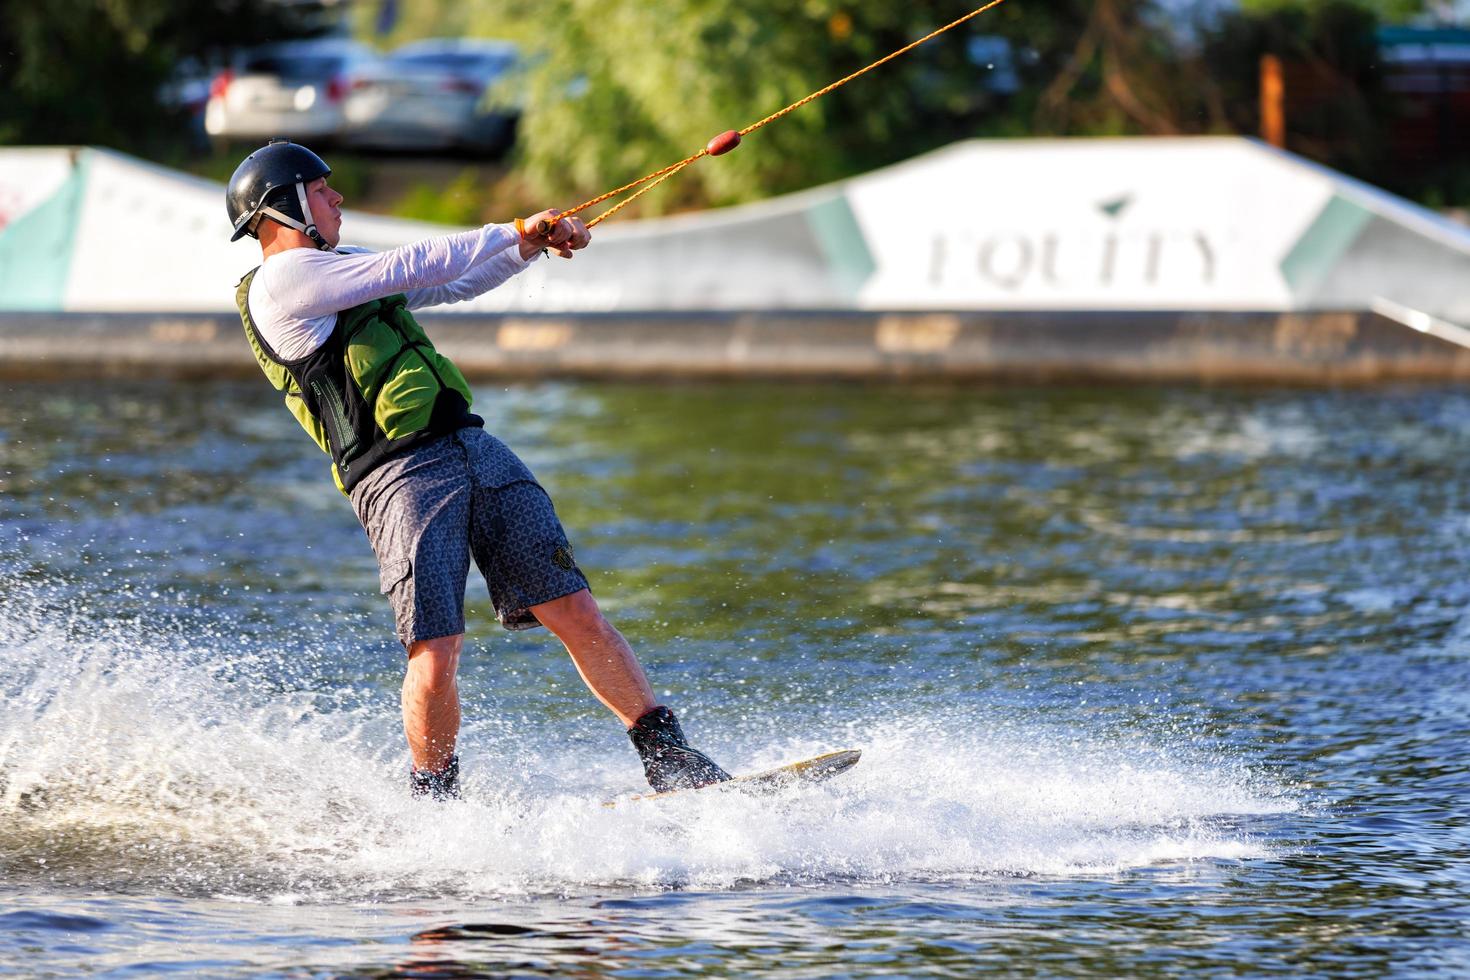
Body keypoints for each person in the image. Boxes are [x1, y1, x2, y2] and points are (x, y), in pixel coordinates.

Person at [225, 139, 730, 800]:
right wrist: (513, 227)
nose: (337, 198)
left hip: (468, 446)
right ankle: (433, 801)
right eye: (323, 191)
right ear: (283, 208)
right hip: (398, 476)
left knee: (571, 603)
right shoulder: (282, 282)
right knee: (436, 649)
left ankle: (670, 758)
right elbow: (415, 260)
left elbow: (452, 280)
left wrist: (529, 247)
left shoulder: (341, 265)